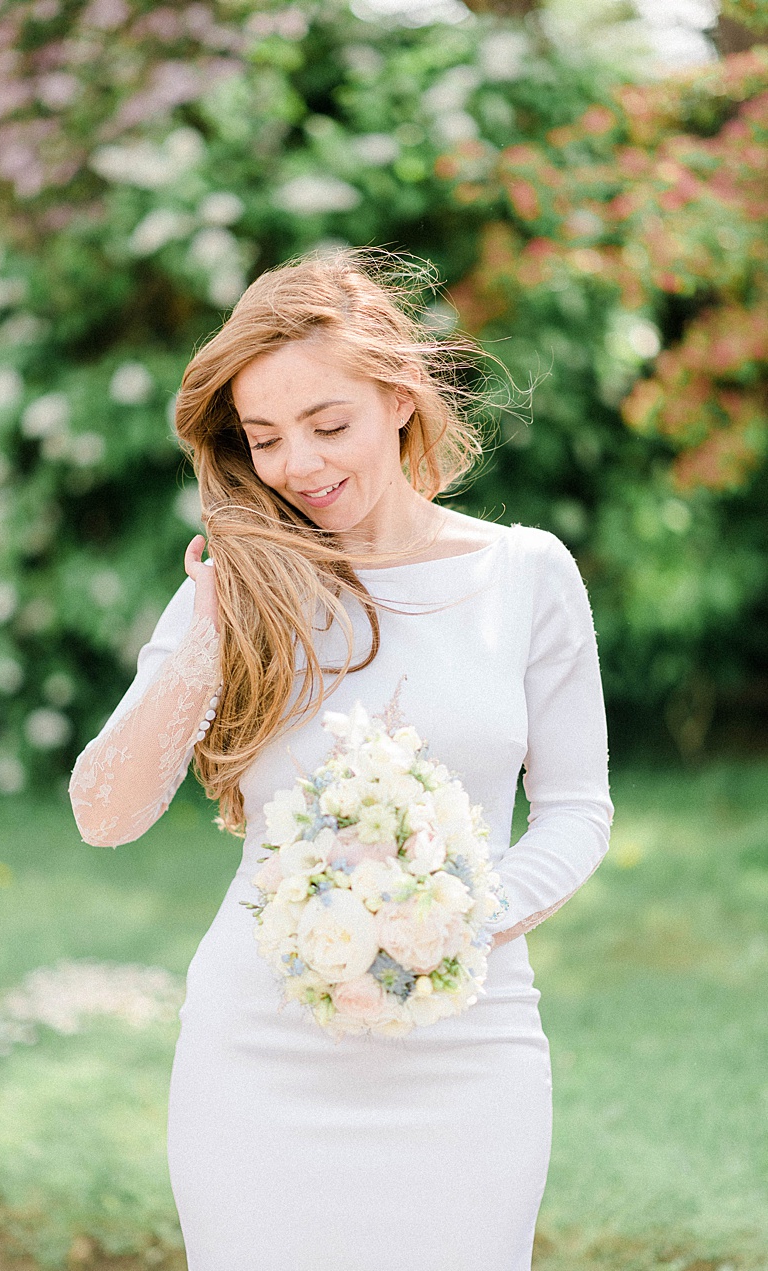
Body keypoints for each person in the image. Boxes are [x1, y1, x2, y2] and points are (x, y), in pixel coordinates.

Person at [68, 250, 613, 1269]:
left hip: (468, 1045)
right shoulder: (239, 587)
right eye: (264, 439)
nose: (297, 466)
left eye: (326, 426)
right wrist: (203, 636)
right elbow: (102, 811)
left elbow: (577, 808)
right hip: (258, 1054)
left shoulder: (525, 573)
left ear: (399, 398)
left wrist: (447, 926)